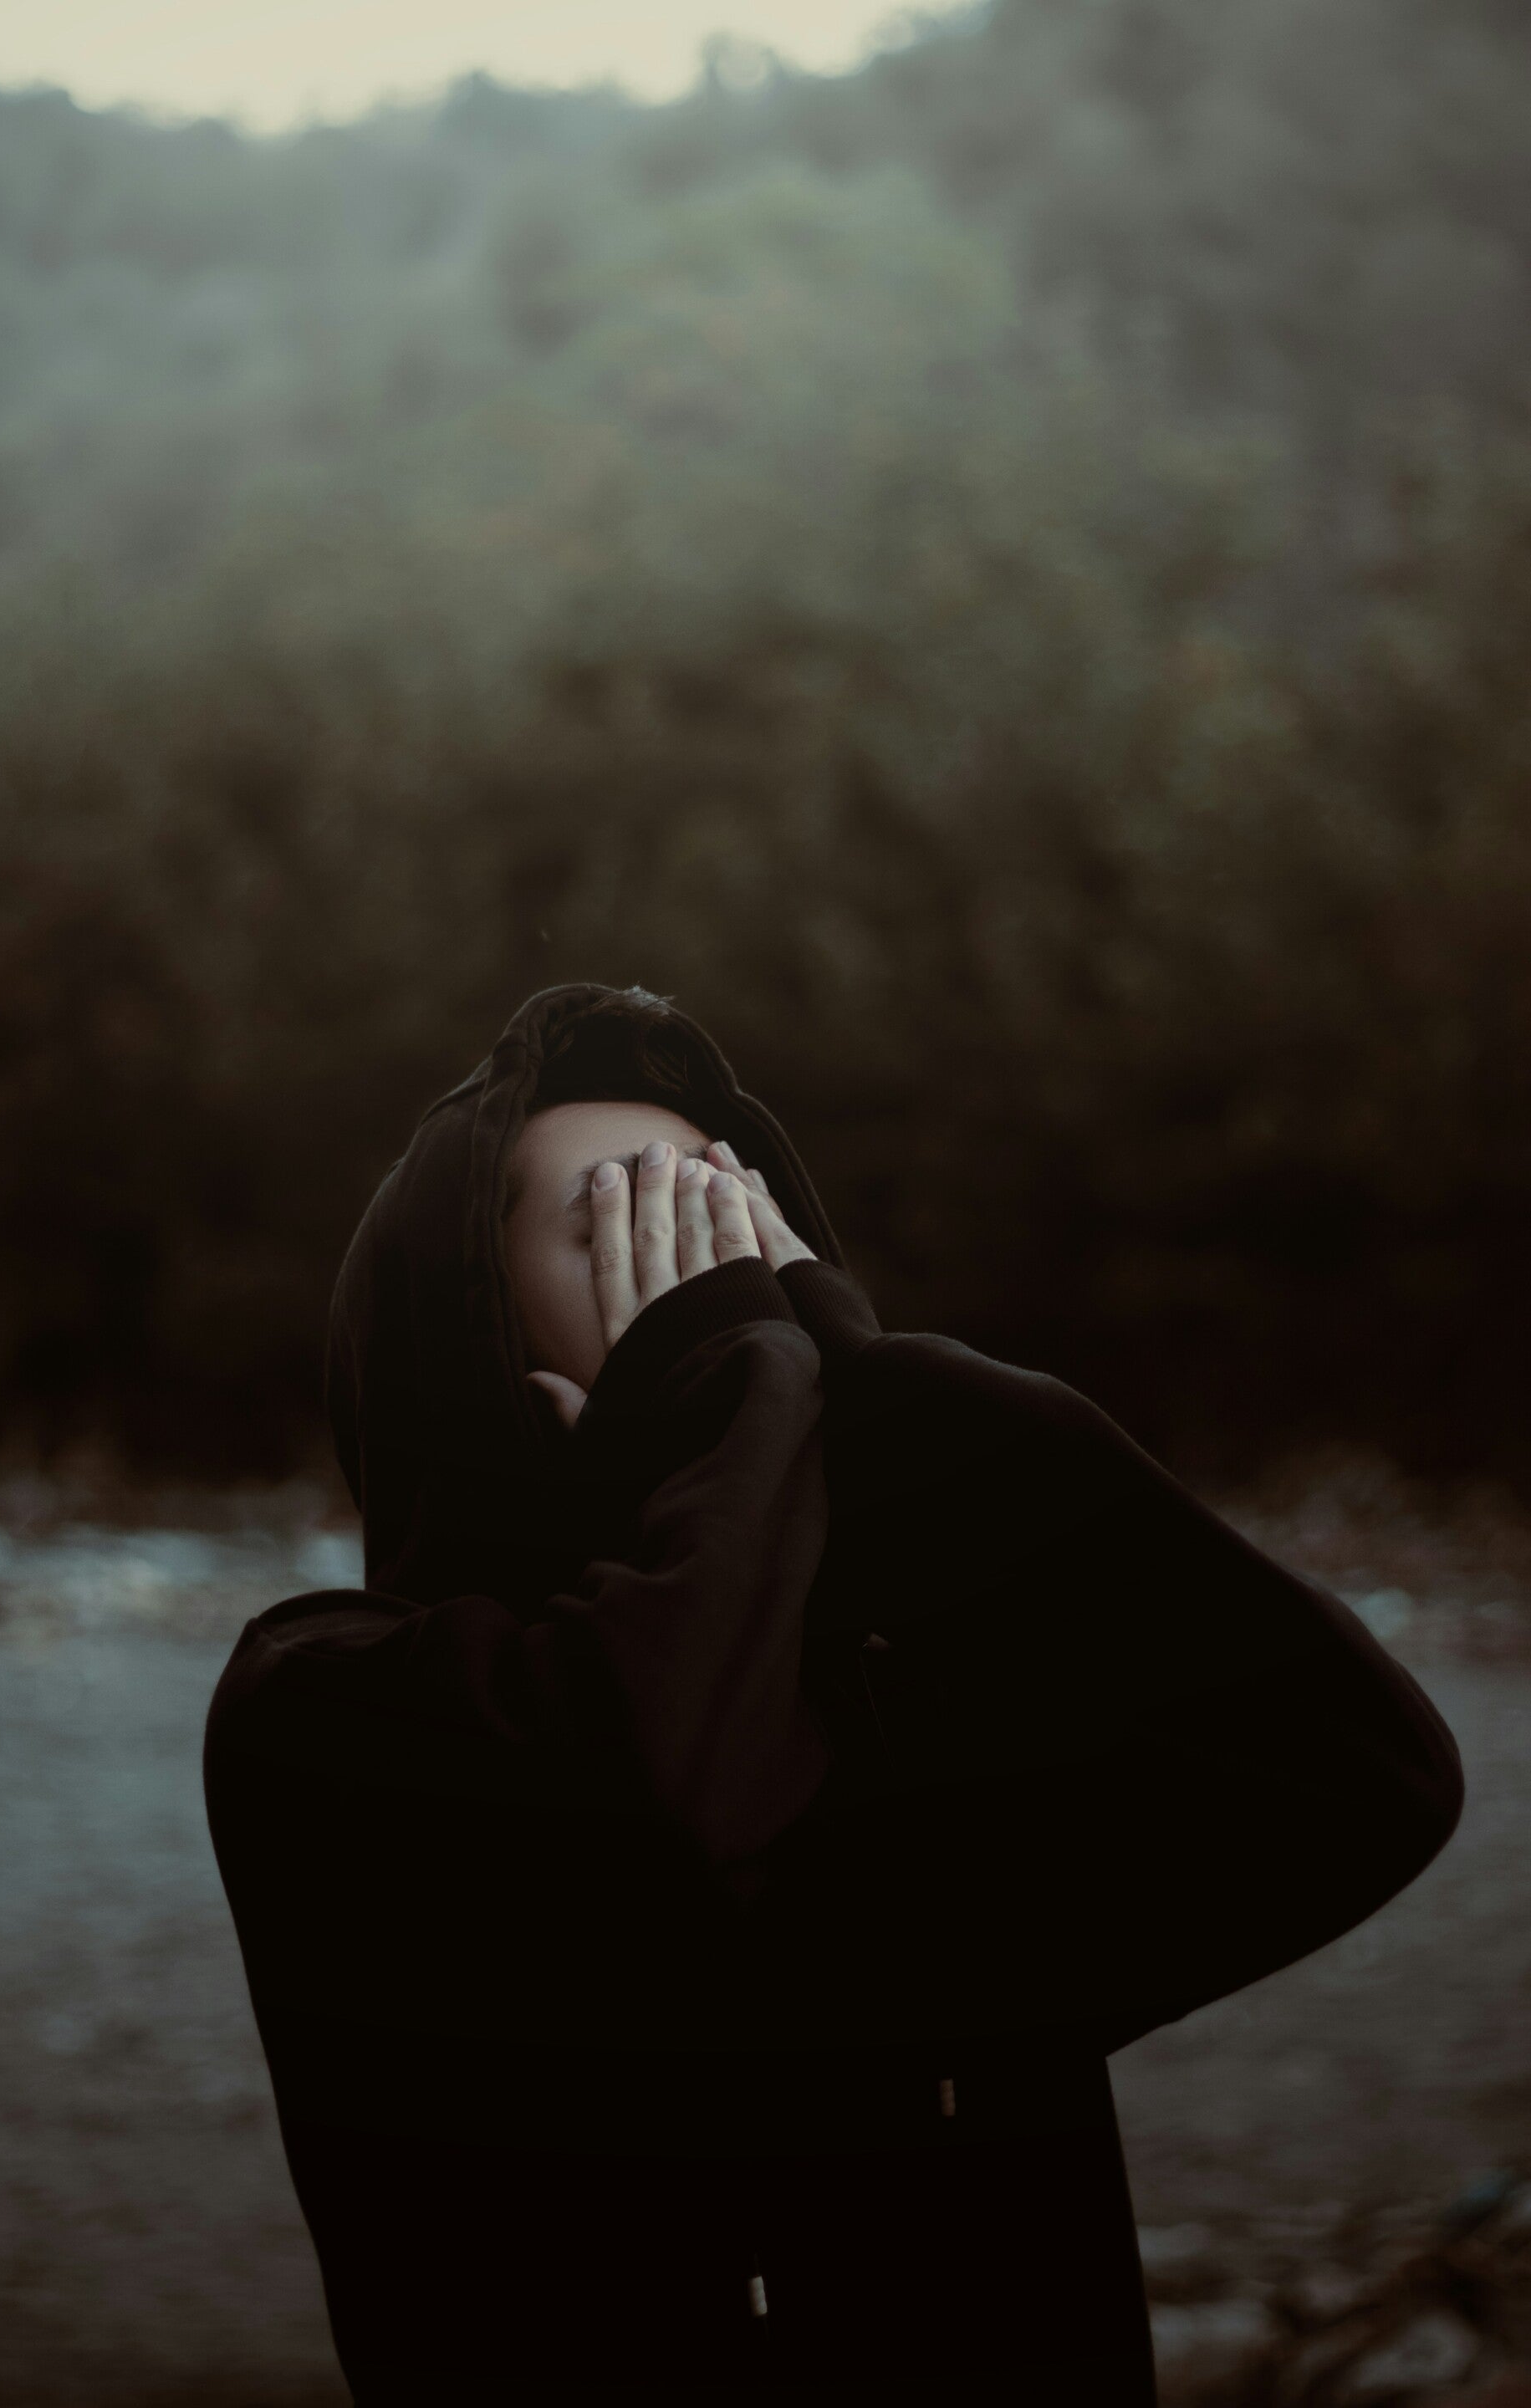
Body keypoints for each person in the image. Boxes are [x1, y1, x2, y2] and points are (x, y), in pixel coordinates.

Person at [204, 979, 1465, 2405]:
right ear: (467, 1340)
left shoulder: (889, 1713)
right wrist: (726, 1394)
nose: (721, 1266)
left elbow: (1357, 1771)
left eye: (742, 1224)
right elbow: (650, 1807)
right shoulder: (316, 1701)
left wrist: (857, 1381)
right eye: (638, 1220)